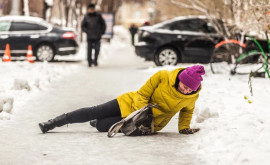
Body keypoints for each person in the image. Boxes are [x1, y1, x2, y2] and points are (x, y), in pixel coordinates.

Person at [39, 65, 205, 135]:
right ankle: (53, 122)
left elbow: (187, 111)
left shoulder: (191, 96)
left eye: (190, 89)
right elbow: (142, 94)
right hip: (131, 104)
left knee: (101, 126)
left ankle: (96, 122)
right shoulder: (162, 76)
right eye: (185, 86)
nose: (186, 90)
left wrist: (183, 128)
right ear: (179, 78)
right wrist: (142, 112)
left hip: (146, 124)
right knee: (94, 111)